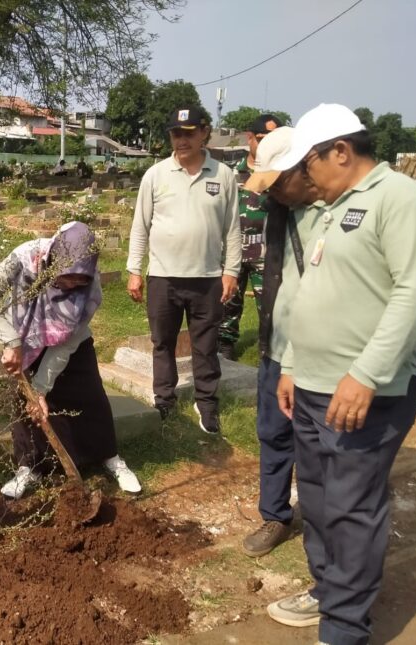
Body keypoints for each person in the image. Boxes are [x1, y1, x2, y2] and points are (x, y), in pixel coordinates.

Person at [265, 104, 416, 645]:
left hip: (366, 393)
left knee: (351, 506)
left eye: (309, 163)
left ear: (341, 151)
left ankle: (344, 628)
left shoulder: (401, 201)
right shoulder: (331, 207)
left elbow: (414, 294)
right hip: (313, 387)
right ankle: (328, 590)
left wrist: (364, 374)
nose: (306, 177)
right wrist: (293, 364)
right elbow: (308, 292)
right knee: (317, 499)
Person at [0, 221, 141, 499]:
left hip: (70, 343)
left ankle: (109, 457)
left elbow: (64, 345)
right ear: (54, 259)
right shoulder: (25, 257)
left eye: (81, 278)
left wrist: (41, 388)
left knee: (90, 399)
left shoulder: (91, 289)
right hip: (23, 341)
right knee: (26, 408)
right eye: (68, 275)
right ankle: (28, 467)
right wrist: (11, 341)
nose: (73, 284)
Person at [234, 126, 326, 557]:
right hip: (277, 340)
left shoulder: (331, 215)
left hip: (322, 349)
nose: (273, 193)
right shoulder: (277, 210)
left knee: (318, 439)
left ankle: (323, 515)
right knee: (272, 431)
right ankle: (275, 515)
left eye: (277, 182)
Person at [126, 105, 241, 431]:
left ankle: (206, 404)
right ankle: (164, 401)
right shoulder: (156, 175)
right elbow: (140, 226)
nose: (182, 140)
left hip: (206, 278)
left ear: (204, 132)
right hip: (164, 276)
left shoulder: (223, 175)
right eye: (176, 133)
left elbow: (232, 228)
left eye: (189, 133)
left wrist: (231, 271)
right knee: (162, 342)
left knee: (205, 345)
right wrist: (135, 269)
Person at [217, 114, 284, 360]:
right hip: (232, 251)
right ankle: (224, 346)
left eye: (273, 140)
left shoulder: (279, 175)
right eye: (261, 139)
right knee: (227, 304)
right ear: (249, 139)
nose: (267, 145)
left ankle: (271, 349)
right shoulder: (232, 173)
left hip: (265, 253)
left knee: (270, 305)